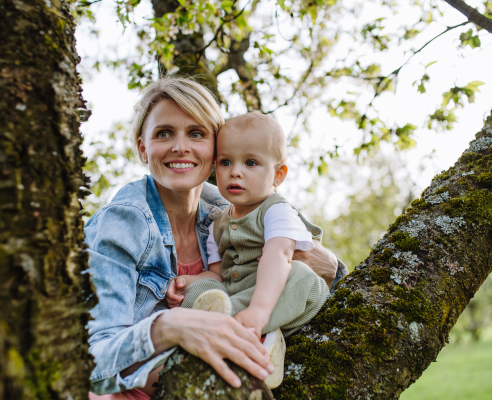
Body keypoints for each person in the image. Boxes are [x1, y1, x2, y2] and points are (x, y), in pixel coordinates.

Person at [85, 77, 344, 399]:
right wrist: (169, 325)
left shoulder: (226, 208)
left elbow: (311, 261)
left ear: (215, 148)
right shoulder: (124, 222)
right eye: (164, 133)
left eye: (196, 134)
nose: (180, 147)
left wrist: (330, 266)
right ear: (142, 147)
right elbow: (90, 363)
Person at [165, 112, 336, 388]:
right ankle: (263, 345)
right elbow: (218, 274)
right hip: (240, 300)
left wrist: (258, 311)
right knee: (198, 293)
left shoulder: (277, 211)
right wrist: (189, 281)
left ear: (278, 175)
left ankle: (237, 331)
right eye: (225, 162)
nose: (235, 171)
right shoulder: (217, 223)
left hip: (282, 300)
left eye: (251, 162)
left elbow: (279, 256)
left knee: (301, 275)